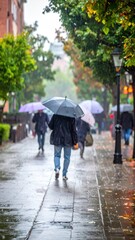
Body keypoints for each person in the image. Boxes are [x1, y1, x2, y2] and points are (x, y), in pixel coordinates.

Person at [48, 114, 78, 180]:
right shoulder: (71, 117)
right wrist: (75, 140)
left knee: (57, 155)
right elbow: (74, 130)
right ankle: (64, 175)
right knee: (67, 157)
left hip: (57, 138)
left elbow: (50, 126)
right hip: (68, 140)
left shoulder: (55, 115)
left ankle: (57, 168)